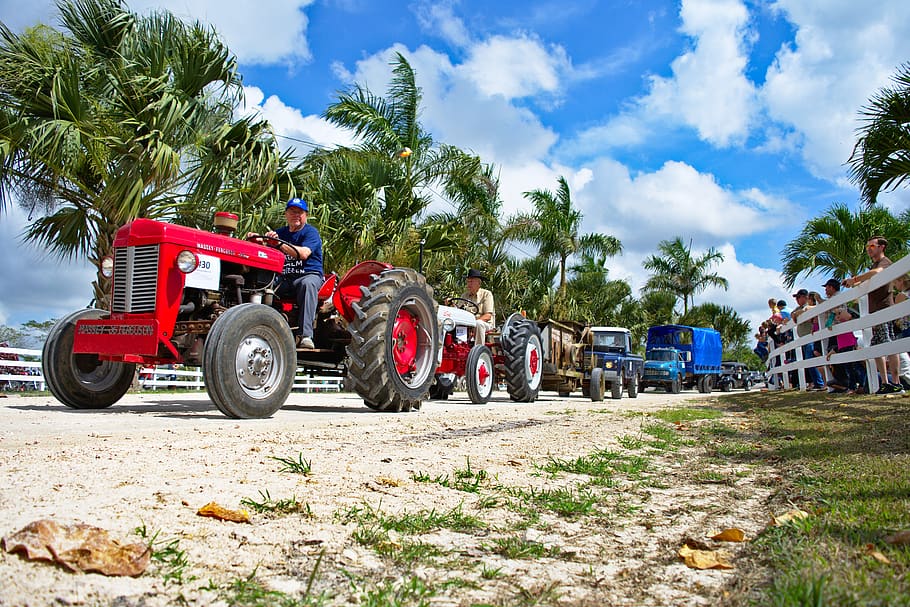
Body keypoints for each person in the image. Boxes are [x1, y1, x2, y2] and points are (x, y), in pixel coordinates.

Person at [250, 198, 323, 349]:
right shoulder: (280, 233)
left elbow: (303, 254)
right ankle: (255, 327)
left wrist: (279, 244)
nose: (295, 215)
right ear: (286, 214)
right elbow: (267, 250)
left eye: (299, 212)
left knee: (307, 285)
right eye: (292, 211)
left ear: (305, 215)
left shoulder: (311, 233)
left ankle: (306, 335)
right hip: (285, 278)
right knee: (260, 284)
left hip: (308, 274)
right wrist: (258, 240)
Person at [843, 235, 902, 394]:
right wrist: (855, 283)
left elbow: (877, 272)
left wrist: (855, 278)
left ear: (881, 247)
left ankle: (896, 383)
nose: (869, 249)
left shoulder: (885, 262)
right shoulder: (873, 265)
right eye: (868, 247)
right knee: (877, 346)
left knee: (888, 344)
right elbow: (868, 278)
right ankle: (885, 382)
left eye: (872, 246)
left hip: (884, 308)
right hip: (875, 311)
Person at [791, 288, 825, 390]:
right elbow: (792, 314)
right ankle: (817, 382)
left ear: (805, 297)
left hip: (811, 337)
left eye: (798, 297)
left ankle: (819, 382)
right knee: (808, 361)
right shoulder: (798, 308)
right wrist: (795, 313)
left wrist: (799, 312)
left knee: (811, 360)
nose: (797, 299)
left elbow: (808, 309)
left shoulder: (809, 306)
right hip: (805, 338)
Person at [460, 268, 496, 344]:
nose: (469, 284)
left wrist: (472, 324)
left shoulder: (486, 294)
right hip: (467, 324)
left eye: (471, 281)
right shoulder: (464, 295)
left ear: (479, 283)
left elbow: (488, 316)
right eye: (468, 281)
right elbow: (459, 311)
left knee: (478, 324)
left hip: (485, 324)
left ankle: (478, 350)